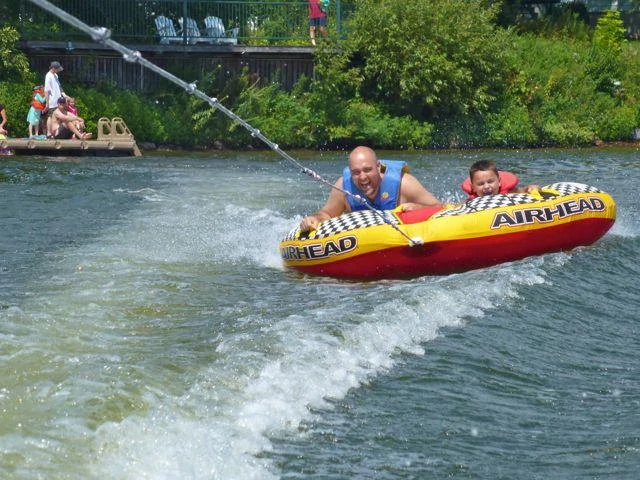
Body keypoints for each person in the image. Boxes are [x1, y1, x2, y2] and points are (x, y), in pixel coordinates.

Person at [299, 146, 441, 233]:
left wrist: (418, 208)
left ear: (378, 167)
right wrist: (314, 219)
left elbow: (439, 207)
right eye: (356, 172)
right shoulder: (343, 187)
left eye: (368, 170)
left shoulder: (404, 184)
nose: (362, 177)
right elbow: (327, 214)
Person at [464, 160, 539, 198]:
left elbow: (525, 190)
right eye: (480, 184)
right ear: (473, 188)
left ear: (499, 182)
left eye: (490, 182)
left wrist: (531, 187)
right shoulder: (472, 199)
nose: (486, 187)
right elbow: (459, 207)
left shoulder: (509, 192)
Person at [44, 61, 69, 137]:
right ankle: (48, 132)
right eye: (57, 69)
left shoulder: (55, 75)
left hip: (58, 100)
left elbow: (59, 86)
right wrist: (47, 103)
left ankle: (54, 132)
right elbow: (46, 90)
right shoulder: (48, 76)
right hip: (52, 100)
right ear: (53, 68)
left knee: (58, 117)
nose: (58, 70)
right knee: (50, 116)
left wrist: (64, 95)